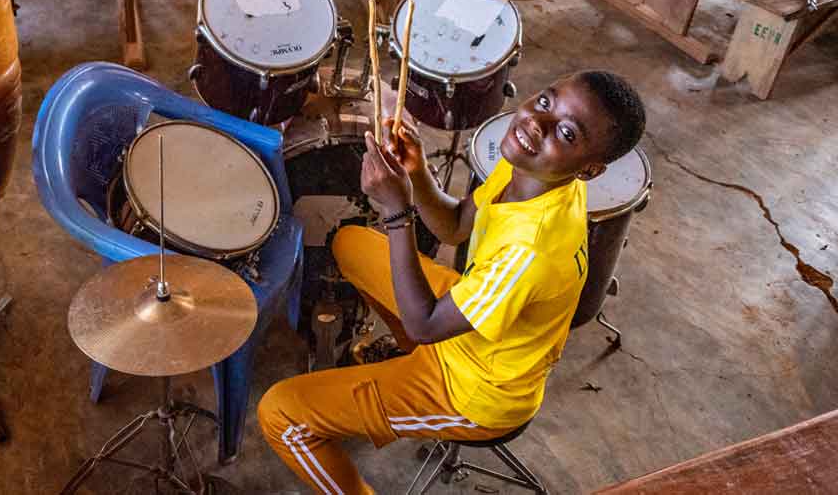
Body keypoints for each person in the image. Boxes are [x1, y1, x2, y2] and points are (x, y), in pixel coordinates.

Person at [257, 71, 646, 494]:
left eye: (567, 133)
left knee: (282, 415)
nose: (538, 123)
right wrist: (417, 170)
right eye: (547, 103)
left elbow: (425, 322)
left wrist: (397, 212)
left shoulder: (531, 251)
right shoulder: (532, 172)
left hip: (473, 390)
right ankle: (403, 360)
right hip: (462, 328)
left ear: (589, 170)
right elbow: (456, 225)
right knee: (350, 244)